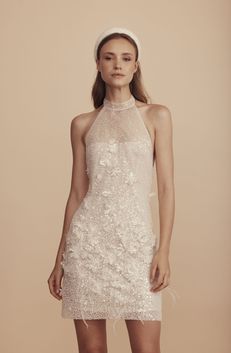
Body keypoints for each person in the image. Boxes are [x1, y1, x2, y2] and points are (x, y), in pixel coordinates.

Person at [48, 27, 179, 353]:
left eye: (126, 58)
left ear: (136, 66)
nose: (117, 65)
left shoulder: (156, 116)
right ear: (98, 64)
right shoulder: (83, 123)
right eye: (109, 58)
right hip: (87, 246)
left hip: (136, 247)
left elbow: (165, 188)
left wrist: (163, 249)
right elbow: (77, 193)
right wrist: (59, 258)